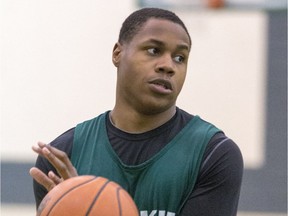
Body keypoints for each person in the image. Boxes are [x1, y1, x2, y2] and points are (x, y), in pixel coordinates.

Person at [30, 7, 243, 216]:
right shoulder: (63, 156)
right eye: (153, 50)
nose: (168, 66)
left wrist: (89, 203)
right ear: (117, 53)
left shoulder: (214, 154)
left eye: (180, 58)